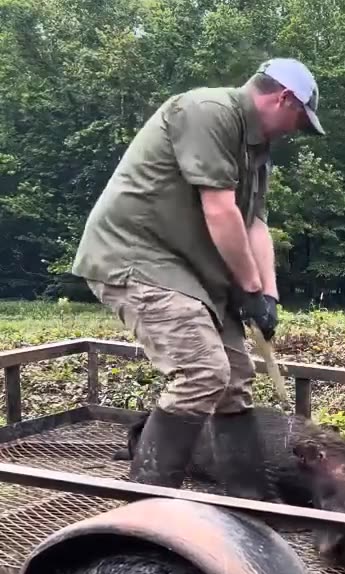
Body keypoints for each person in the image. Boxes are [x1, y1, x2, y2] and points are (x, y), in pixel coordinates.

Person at [69, 58, 325, 494]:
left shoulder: (257, 151)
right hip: (139, 257)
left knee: (236, 376)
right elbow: (220, 209)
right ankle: (146, 501)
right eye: (297, 119)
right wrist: (247, 286)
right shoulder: (208, 112)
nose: (294, 131)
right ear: (282, 97)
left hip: (192, 273)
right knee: (203, 372)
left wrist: (268, 296)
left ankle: (252, 503)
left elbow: (254, 223)